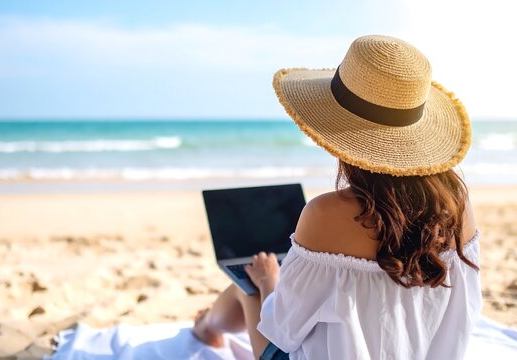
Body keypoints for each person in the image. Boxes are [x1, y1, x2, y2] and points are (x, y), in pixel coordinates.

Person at [193, 35, 481, 360]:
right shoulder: (458, 202)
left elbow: (283, 330)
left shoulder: (327, 213)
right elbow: (465, 310)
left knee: (249, 283)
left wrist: (268, 283)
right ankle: (207, 328)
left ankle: (205, 330)